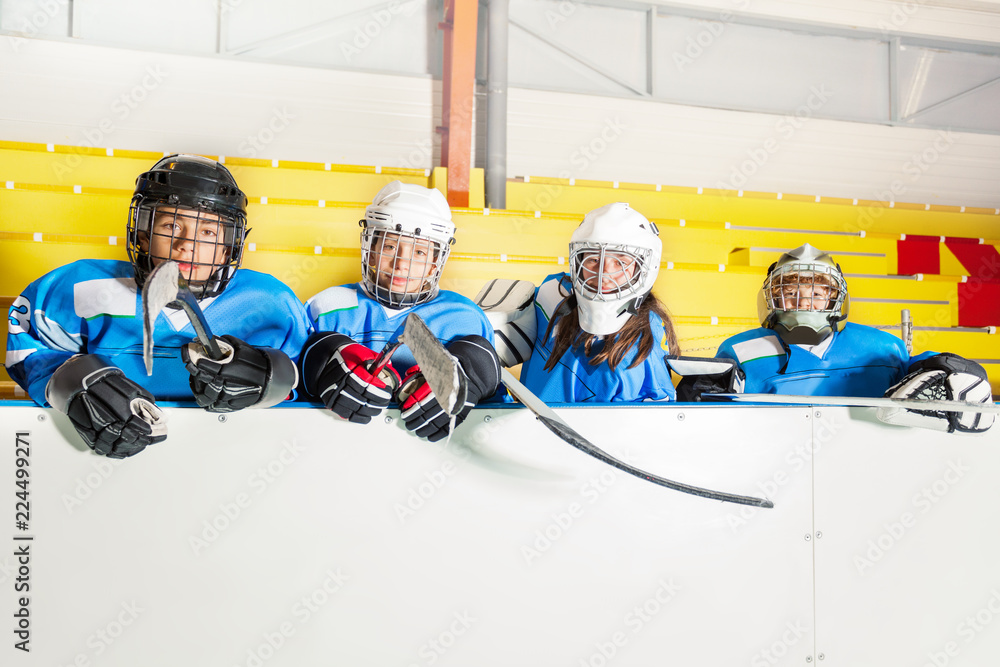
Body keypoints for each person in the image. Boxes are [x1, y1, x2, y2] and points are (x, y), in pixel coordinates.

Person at [5, 154, 310, 457]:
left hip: (232, 458)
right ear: (143, 235)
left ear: (227, 249)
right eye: (171, 225)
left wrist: (271, 376)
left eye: (208, 232)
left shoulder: (270, 301)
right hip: (99, 465)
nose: (187, 244)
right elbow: (26, 352)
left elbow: (306, 378)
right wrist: (69, 377)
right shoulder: (83, 287)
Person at [714, 243, 993, 433]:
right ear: (774, 298)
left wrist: (943, 365)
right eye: (792, 293)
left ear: (834, 299)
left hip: (866, 460)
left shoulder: (882, 347)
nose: (804, 303)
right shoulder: (738, 350)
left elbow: (913, 371)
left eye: (817, 295)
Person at [299, 181, 500, 442]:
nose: (402, 264)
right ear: (371, 251)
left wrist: (477, 371)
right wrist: (318, 361)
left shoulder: (464, 317)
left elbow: (488, 408)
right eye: (390, 247)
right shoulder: (327, 306)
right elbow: (293, 391)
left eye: (419, 252)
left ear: (434, 263)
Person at [489, 202, 679, 403]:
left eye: (620, 262)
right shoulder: (551, 295)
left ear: (644, 269)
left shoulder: (645, 339)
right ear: (577, 260)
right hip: (530, 430)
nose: (605, 273)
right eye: (594, 259)